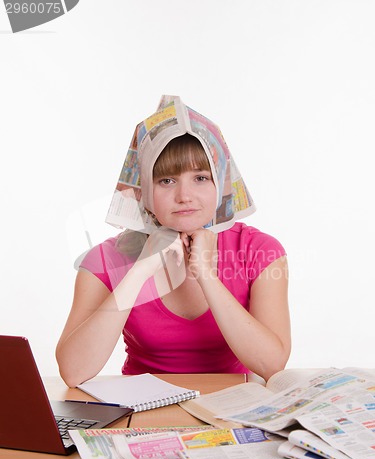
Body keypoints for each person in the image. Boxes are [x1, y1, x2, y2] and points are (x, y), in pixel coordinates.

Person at [56, 96, 291, 387]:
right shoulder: (105, 260)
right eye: (167, 181)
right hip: (144, 412)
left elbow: (272, 364)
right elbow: (73, 371)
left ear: (221, 183)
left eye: (201, 178)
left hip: (231, 410)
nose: (185, 196)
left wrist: (206, 274)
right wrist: (140, 270)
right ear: (143, 189)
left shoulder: (259, 251)